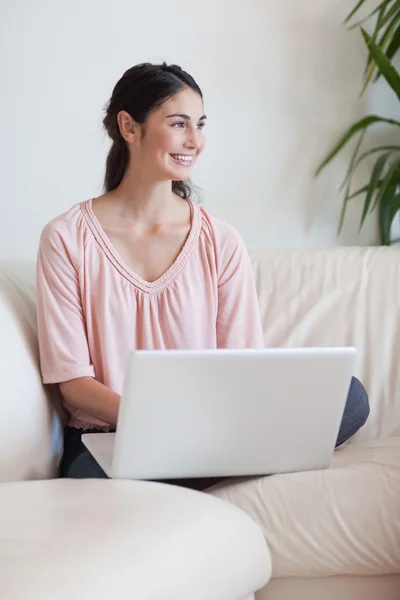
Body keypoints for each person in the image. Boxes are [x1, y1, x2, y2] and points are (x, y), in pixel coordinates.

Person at [36, 62, 370, 488]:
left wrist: (203, 425)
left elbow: (242, 366)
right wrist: (160, 422)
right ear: (129, 127)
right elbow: (74, 385)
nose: (196, 141)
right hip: (110, 437)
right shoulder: (66, 238)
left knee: (349, 396)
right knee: (92, 479)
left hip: (210, 430)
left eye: (200, 125)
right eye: (179, 124)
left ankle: (179, 475)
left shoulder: (221, 240)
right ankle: (229, 461)